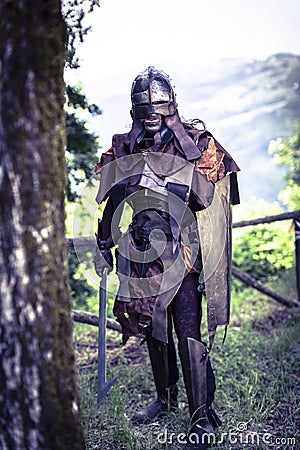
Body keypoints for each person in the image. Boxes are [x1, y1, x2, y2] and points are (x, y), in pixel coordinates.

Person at [94, 67, 240, 449]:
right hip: (142, 252)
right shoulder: (124, 145)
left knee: (186, 327)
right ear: (133, 109)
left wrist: (177, 160)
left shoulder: (194, 143)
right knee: (154, 328)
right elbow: (112, 196)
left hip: (183, 250)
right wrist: (104, 240)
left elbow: (209, 195)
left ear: (172, 104)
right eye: (144, 104)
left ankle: (200, 417)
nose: (151, 111)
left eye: (159, 103)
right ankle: (165, 397)